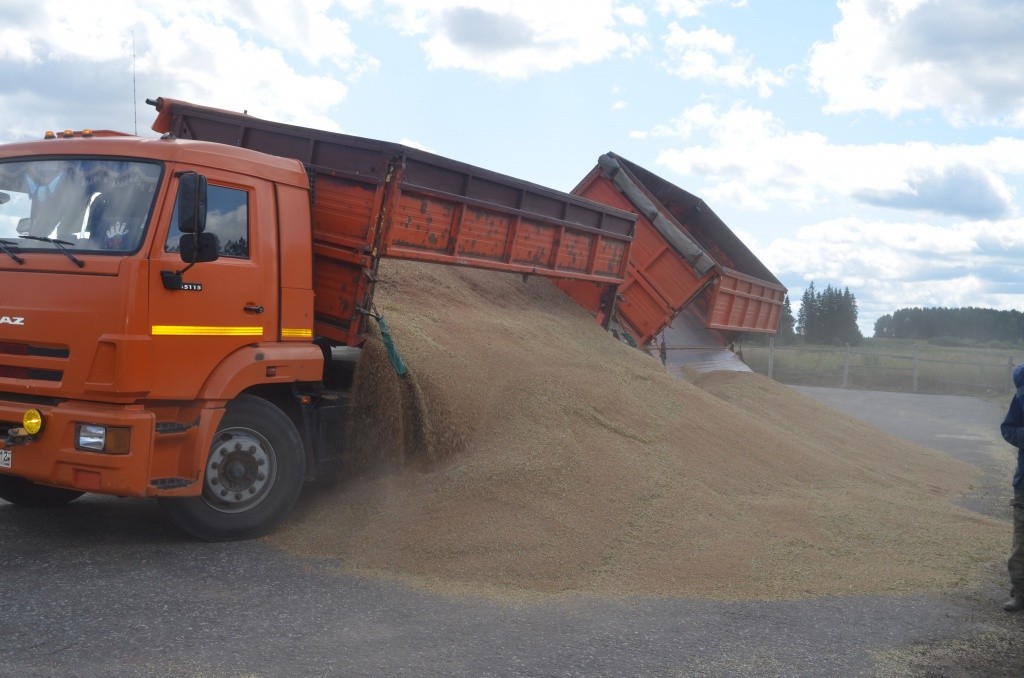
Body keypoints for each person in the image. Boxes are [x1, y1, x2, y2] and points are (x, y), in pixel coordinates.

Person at [999, 363, 1024, 612]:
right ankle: (1020, 592)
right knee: (1021, 543)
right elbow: (1007, 428)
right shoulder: (1019, 399)